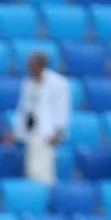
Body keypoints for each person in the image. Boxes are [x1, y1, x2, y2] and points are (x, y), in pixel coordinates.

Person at [13, 52, 71, 185]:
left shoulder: (59, 83)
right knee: (31, 169)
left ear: (40, 66)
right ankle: (35, 194)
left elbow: (63, 109)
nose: (29, 68)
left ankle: (47, 193)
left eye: (31, 65)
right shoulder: (28, 82)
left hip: (48, 132)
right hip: (30, 131)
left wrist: (59, 131)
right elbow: (23, 107)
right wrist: (17, 130)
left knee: (44, 170)